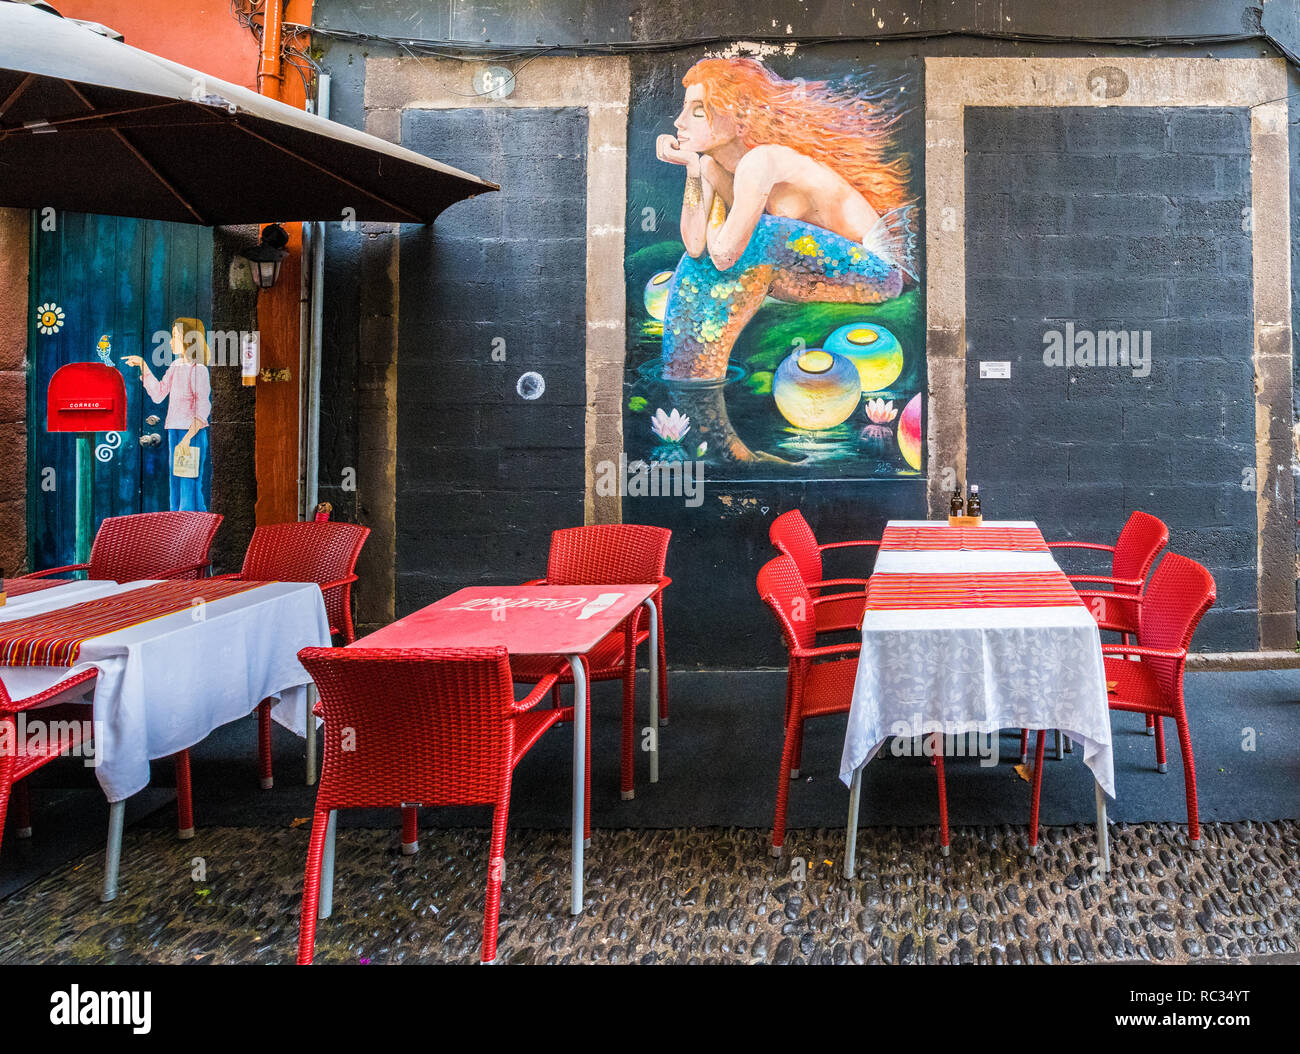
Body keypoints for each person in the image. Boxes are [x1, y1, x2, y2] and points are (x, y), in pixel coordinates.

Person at [654, 58, 916, 461]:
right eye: (684, 108)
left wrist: (715, 230)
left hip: (878, 271)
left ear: (738, 118)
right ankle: (702, 404)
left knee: (760, 237)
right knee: (711, 260)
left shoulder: (761, 162)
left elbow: (723, 255)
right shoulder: (713, 165)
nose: (679, 120)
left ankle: (697, 397)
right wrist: (692, 170)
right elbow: (694, 246)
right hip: (807, 270)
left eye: (698, 111)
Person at [124, 317, 211, 512]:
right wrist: (143, 365)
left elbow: (203, 408)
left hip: (191, 435)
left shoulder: (199, 370)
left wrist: (187, 438)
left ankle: (194, 536)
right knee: (176, 488)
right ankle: (177, 535)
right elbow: (158, 394)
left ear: (188, 339)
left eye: (174, 336)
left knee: (189, 490)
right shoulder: (176, 367)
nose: (170, 341)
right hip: (175, 432)